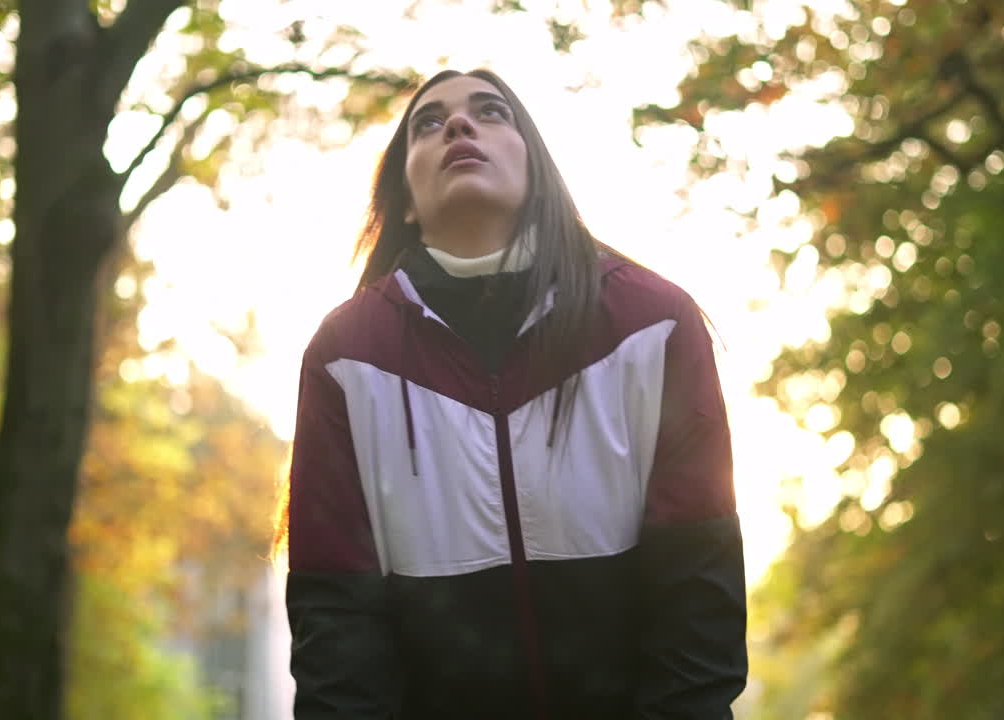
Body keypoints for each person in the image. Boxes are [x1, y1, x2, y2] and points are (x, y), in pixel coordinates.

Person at [284, 68, 747, 720]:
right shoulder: (345, 358)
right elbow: (335, 627)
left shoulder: (654, 323)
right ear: (406, 200)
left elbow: (698, 599)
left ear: (537, 172)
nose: (458, 124)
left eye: (491, 111)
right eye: (428, 122)